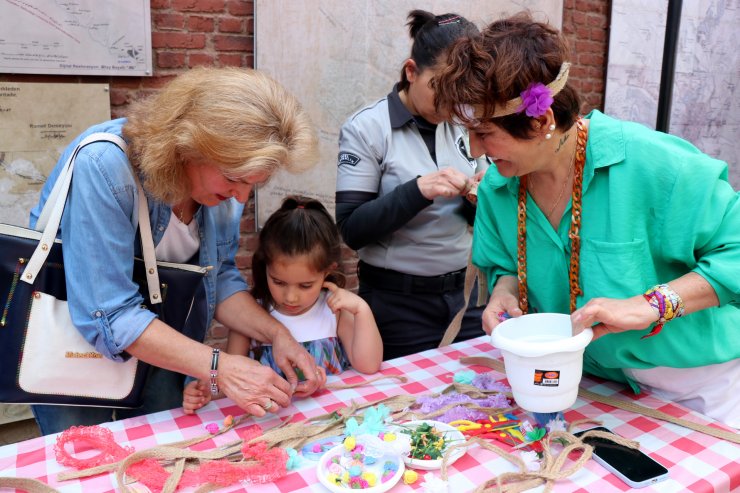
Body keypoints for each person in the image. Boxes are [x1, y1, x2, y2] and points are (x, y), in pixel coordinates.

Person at [433, 12, 740, 428]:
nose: (474, 149)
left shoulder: (656, 165)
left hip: (698, 386)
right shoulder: (496, 189)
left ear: (541, 121)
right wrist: (505, 291)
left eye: (484, 133)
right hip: (588, 385)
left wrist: (650, 305)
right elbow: (504, 262)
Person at [28, 67, 326, 435]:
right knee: (84, 465)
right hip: (72, 360)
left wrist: (277, 334)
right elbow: (110, 315)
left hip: (161, 353)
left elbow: (220, 280)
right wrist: (220, 366)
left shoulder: (222, 190)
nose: (242, 197)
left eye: (255, 183)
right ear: (188, 145)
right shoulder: (105, 166)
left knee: (164, 457)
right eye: (234, 178)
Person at [335, 10, 488, 360]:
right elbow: (352, 229)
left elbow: (477, 218)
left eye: (461, 91)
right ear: (411, 71)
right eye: (442, 88)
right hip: (398, 307)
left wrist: (479, 196)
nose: (452, 104)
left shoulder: (465, 123)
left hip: (469, 297)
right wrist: (418, 190)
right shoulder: (367, 129)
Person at [183, 196, 383, 414]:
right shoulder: (251, 316)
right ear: (265, 267)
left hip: (329, 420)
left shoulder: (334, 310)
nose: (291, 297)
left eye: (305, 285)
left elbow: (368, 365)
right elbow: (227, 380)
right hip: (270, 426)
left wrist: (362, 309)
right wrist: (206, 390)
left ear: (328, 271)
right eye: (278, 282)